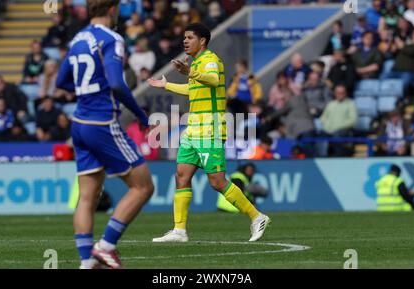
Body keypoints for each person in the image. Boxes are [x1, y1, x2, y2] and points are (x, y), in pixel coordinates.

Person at [148, 23, 271, 243]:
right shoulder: (197, 63)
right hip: (193, 129)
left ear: (202, 40)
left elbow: (213, 80)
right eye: (184, 37)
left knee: (216, 181)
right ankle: (179, 230)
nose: (185, 41)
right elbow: (193, 89)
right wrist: (167, 85)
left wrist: (190, 72)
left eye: (189, 37)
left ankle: (257, 217)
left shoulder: (211, 60)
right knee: (182, 176)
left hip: (210, 129)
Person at [56, 0, 154, 269]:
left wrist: (86, 89)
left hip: (79, 123)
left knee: (87, 196)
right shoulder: (112, 38)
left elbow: (61, 82)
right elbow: (116, 83)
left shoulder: (77, 39)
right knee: (143, 186)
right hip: (102, 122)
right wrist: (139, 113)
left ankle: (86, 262)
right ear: (112, 10)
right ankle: (106, 246)